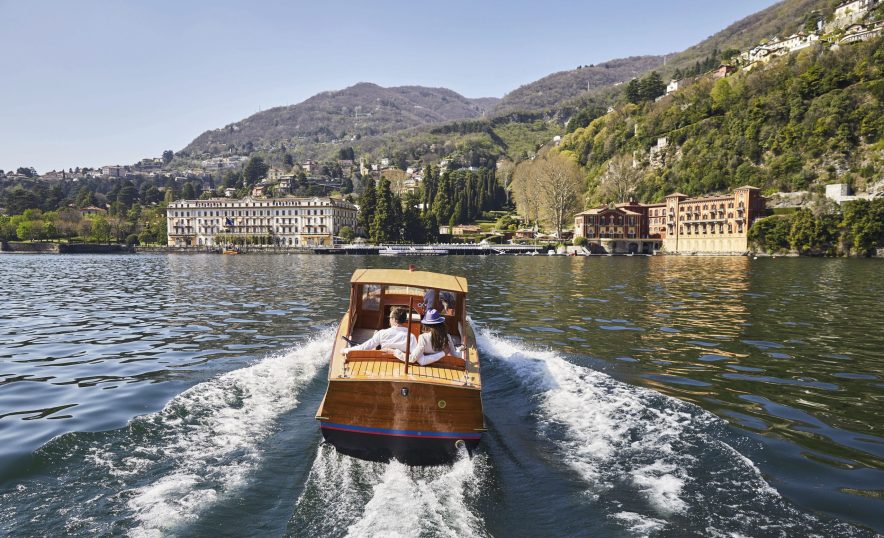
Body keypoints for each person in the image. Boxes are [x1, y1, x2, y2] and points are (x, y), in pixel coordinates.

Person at [392, 309, 463, 366]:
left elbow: (413, 359)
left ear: (427, 325)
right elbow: (456, 355)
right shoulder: (447, 337)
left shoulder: (423, 338)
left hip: (426, 367)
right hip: (441, 366)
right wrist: (459, 350)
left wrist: (395, 352)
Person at [341, 306, 417, 355]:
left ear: (394, 319)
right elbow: (415, 355)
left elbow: (365, 347)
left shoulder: (382, 333)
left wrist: (346, 350)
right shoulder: (411, 337)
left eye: (390, 318)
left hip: (384, 362)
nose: (389, 320)